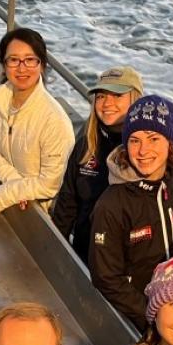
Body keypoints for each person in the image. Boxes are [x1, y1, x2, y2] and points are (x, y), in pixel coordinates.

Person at [88, 95, 173, 331]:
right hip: (143, 317)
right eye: (134, 140)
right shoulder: (111, 205)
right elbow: (107, 279)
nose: (143, 151)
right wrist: (153, 317)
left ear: (170, 142)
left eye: (153, 139)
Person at [0, 27, 76, 215]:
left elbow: (49, 185)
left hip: (42, 211)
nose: (22, 68)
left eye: (30, 60)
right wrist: (13, 181)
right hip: (9, 190)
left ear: (42, 65)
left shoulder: (54, 120)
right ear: (4, 65)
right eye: (13, 60)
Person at [51, 66, 144, 264]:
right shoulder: (86, 145)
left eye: (117, 95)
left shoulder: (146, 154)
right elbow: (67, 205)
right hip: (85, 255)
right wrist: (54, 254)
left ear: (136, 100)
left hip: (128, 264)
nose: (107, 103)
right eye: (101, 96)